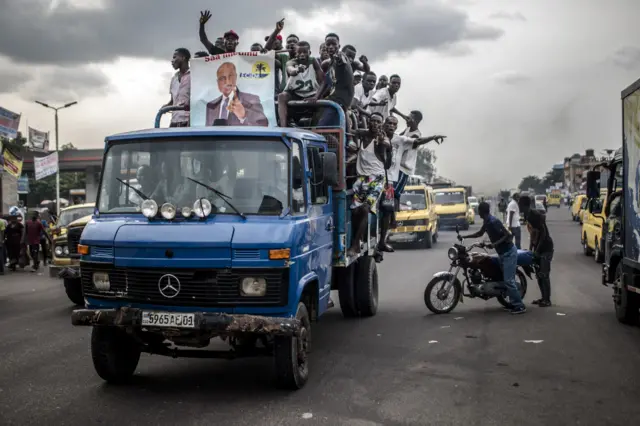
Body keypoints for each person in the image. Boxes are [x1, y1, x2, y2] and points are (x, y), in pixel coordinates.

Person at [459, 202, 526, 314]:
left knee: (509, 281)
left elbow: (508, 236)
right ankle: (508, 301)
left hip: (509, 253)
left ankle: (519, 306)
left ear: (481, 211)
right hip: (502, 254)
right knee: (492, 269)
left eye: (478, 211)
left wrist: (494, 244)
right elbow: (479, 233)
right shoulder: (487, 221)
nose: (478, 213)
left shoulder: (493, 221)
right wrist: (464, 237)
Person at [383, 115, 445, 232]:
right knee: (390, 194)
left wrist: (433, 137)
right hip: (394, 167)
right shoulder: (406, 131)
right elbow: (397, 135)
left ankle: (393, 219)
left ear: (416, 121)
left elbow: (416, 141)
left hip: (404, 168)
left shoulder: (415, 134)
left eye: (410, 118)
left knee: (395, 194)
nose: (407, 119)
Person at [349, 113, 391, 256]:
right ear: (368, 122)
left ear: (381, 124)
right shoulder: (363, 135)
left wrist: (385, 146)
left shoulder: (381, 140)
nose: (374, 124)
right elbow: (351, 132)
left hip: (377, 179)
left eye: (378, 122)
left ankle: (355, 245)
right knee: (355, 211)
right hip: (362, 179)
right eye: (372, 121)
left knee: (366, 208)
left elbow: (386, 149)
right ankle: (358, 239)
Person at [205, 62, 269, 126]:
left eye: (230, 76)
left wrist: (243, 116)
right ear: (218, 82)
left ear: (235, 77)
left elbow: (263, 125)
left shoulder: (251, 100)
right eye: (222, 78)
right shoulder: (210, 106)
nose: (227, 82)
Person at [277, 41, 323, 127]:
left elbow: (323, 80)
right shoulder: (291, 62)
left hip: (311, 93)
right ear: (295, 54)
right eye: (299, 52)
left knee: (324, 102)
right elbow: (291, 70)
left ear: (309, 52)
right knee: (281, 96)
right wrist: (297, 70)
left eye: (305, 52)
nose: (302, 54)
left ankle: (318, 127)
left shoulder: (313, 61)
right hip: (295, 93)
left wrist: (317, 96)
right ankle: (283, 127)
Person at [520, 195, 554, 307]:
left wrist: (538, 250)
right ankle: (543, 298)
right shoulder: (527, 215)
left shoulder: (535, 215)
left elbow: (543, 233)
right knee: (539, 275)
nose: (519, 207)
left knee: (544, 274)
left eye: (521, 204)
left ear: (526, 205)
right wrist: (531, 250)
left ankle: (547, 300)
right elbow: (533, 234)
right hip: (538, 247)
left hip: (546, 248)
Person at [163, 48, 191, 128]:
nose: (172, 60)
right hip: (174, 121)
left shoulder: (193, 76)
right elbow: (173, 101)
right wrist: (166, 106)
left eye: (175, 57)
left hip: (188, 122)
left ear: (183, 58)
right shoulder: (174, 79)